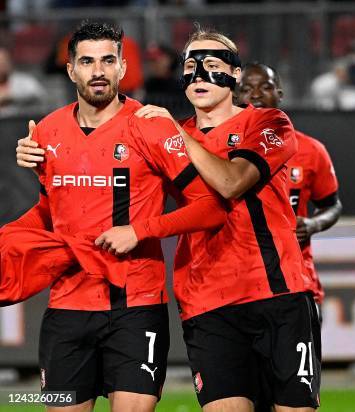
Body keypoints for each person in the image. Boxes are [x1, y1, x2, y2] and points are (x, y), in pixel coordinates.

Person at [12, 21, 226, 412]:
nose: (98, 71)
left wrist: (142, 230)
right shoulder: (46, 132)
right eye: (87, 61)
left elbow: (211, 206)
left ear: (123, 68)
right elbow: (49, 212)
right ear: (71, 69)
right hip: (66, 310)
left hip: (136, 308)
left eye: (108, 60)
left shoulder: (152, 125)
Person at [122, 29, 321, 411]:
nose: (199, 75)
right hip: (206, 304)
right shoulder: (169, 138)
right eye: (191, 67)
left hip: (277, 295)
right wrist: (43, 156)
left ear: (234, 75)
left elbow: (233, 183)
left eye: (212, 66)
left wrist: (175, 132)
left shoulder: (269, 123)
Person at [237, 62, 342, 308]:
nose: (255, 95)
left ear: (279, 94)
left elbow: (333, 205)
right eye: (246, 89)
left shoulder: (311, 150)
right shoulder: (220, 149)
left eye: (265, 87)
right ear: (235, 96)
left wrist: (313, 223)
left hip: (297, 281)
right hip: (238, 285)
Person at [0, 46, 47, 115]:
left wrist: (11, 96)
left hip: (20, 121)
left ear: (10, 62)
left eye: (4, 61)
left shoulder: (24, 80)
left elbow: (39, 94)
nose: (2, 65)